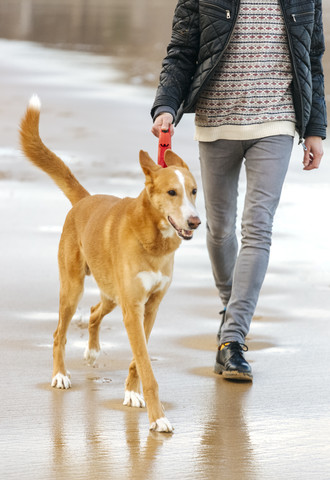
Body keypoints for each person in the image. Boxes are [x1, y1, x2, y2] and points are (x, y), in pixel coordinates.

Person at [151, 0, 327, 381]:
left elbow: (311, 57)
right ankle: (232, 311)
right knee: (219, 228)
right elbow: (182, 50)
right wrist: (166, 106)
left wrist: (315, 128)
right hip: (217, 121)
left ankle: (232, 339)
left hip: (278, 120)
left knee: (258, 226)